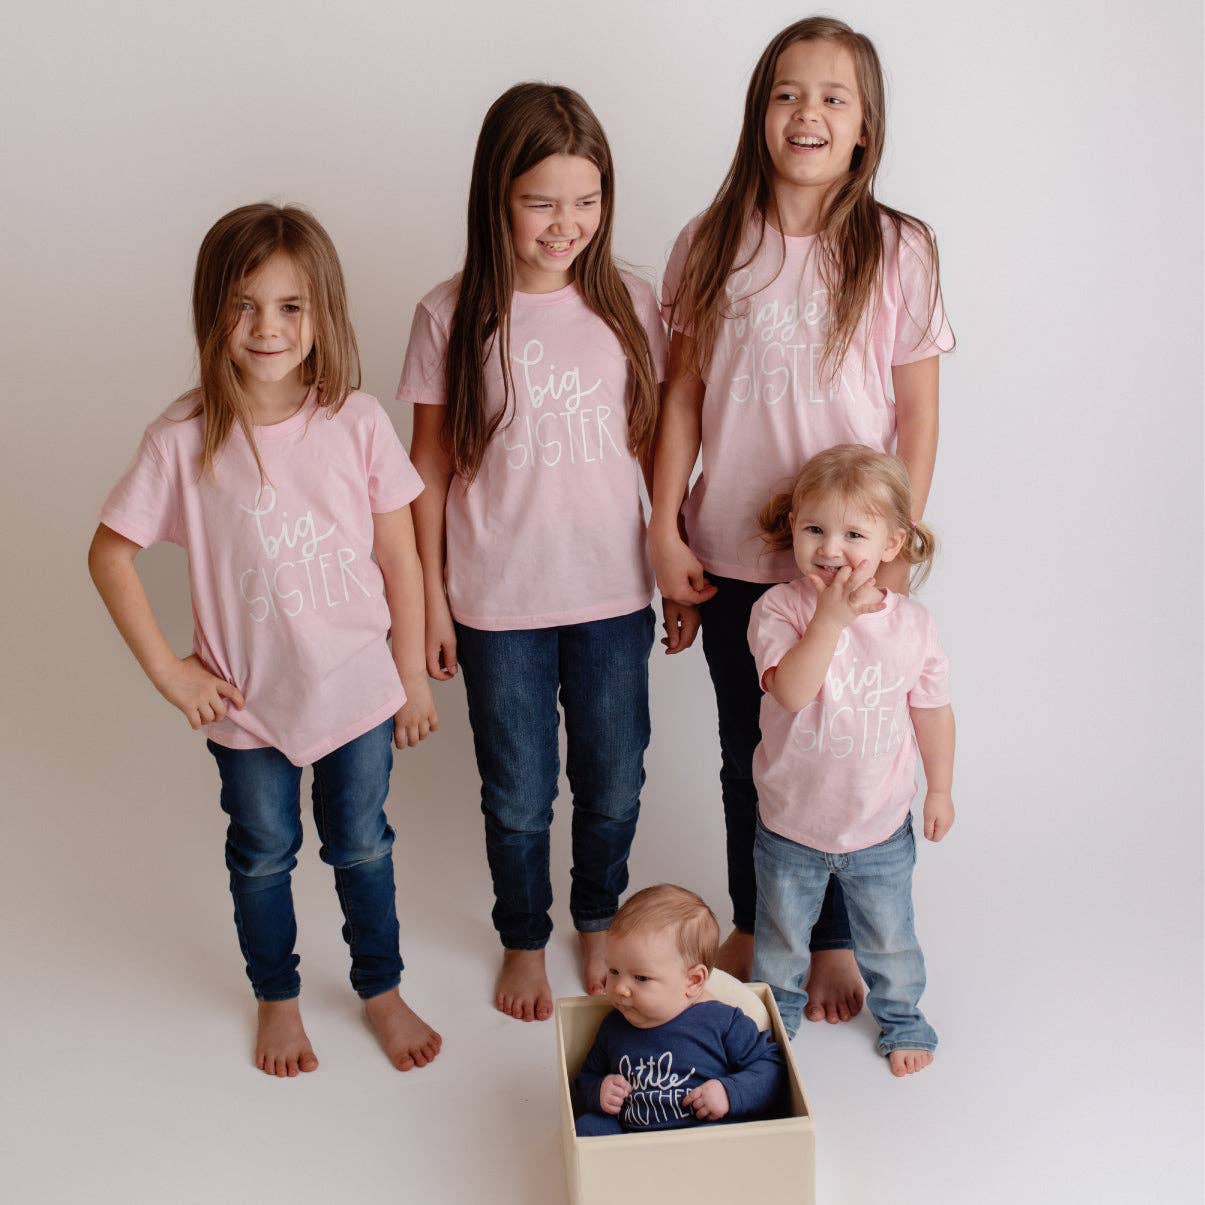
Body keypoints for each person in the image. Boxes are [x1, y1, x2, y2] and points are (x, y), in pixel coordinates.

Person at [88, 203, 441, 1077]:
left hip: (357, 689)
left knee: (362, 843)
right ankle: (276, 996)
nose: (266, 327)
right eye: (243, 305)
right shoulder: (182, 438)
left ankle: (380, 987)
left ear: (322, 313)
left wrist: (411, 673)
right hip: (249, 706)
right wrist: (170, 671)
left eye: (289, 306)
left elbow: (399, 555)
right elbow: (109, 554)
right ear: (212, 311)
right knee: (261, 855)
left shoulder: (355, 419)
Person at [650, 16, 954, 1009]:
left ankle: (831, 936)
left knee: (849, 749)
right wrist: (663, 526)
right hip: (735, 551)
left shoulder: (899, 249)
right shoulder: (710, 242)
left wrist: (893, 551)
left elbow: (916, 414)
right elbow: (682, 397)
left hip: (849, 559)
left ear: (864, 125)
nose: (806, 113)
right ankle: (758, 915)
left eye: (832, 97)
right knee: (755, 751)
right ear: (759, 112)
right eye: (786, 93)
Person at [398, 83, 670, 1023]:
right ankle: (522, 935)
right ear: (496, 197)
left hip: (612, 594)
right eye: (540, 202)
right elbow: (427, 465)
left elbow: (655, 443)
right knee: (516, 792)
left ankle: (595, 918)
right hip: (496, 601)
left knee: (614, 777)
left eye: (586, 201)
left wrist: (672, 553)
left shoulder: (633, 302)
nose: (566, 224)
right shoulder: (450, 313)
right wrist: (431, 600)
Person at [748, 444, 954, 1076]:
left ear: (893, 543)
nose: (830, 548)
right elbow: (791, 691)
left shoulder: (913, 625)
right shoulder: (779, 609)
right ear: (793, 528)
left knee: (890, 940)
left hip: (879, 826)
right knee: (781, 943)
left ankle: (903, 1018)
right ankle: (775, 1023)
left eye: (853, 534)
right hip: (790, 824)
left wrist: (939, 790)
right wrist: (829, 621)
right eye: (815, 529)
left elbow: (932, 712)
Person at [574, 884, 785, 1136]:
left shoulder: (723, 1021)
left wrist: (728, 1092)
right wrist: (599, 1090)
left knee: (740, 1131)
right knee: (589, 1127)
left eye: (641, 978)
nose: (619, 988)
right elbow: (586, 1076)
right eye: (614, 971)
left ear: (693, 981)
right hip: (633, 1142)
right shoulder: (614, 1025)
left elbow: (771, 1068)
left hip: (707, 1136)